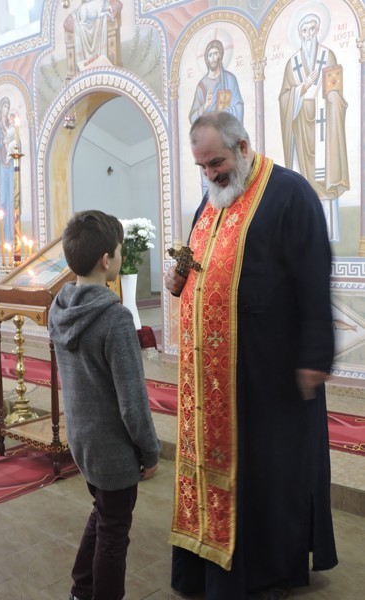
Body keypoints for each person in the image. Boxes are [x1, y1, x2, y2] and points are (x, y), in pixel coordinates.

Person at [165, 112, 337, 600]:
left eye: (216, 163)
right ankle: (206, 565)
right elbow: (199, 268)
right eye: (202, 167)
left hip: (271, 374)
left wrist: (315, 357)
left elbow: (313, 280)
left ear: (242, 147)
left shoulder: (290, 194)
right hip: (213, 378)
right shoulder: (213, 200)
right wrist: (177, 283)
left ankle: (266, 573)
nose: (210, 175)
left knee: (269, 474)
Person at [48, 210, 160, 600]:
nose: (120, 255)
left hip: (82, 438)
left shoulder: (59, 306)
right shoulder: (115, 319)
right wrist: (150, 451)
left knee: (104, 514)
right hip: (113, 449)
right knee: (114, 533)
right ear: (106, 260)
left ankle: (81, 591)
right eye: (119, 250)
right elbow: (133, 403)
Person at [279, 13, 349, 241]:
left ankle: (327, 234)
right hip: (301, 128)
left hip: (323, 128)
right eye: (305, 30)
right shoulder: (292, 64)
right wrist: (302, 87)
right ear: (300, 33)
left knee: (323, 180)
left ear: (318, 30)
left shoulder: (328, 56)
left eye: (313, 29)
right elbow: (284, 98)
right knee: (303, 183)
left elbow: (335, 89)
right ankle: (304, 235)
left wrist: (331, 98)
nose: (309, 34)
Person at [189, 40, 244, 125]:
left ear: (220, 56)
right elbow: (192, 118)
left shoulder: (230, 79)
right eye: (210, 55)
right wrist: (206, 105)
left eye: (215, 54)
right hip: (208, 130)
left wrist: (223, 114)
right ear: (207, 59)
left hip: (226, 129)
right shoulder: (202, 85)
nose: (213, 58)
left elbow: (239, 107)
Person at [0, 97, 15, 245]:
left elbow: (17, 143)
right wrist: (2, 142)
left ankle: (12, 236)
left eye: (8, 106)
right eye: (4, 106)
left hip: (10, 165)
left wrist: (13, 144)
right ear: (0, 108)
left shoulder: (11, 125)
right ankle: (3, 237)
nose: (6, 110)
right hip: (1, 165)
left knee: (11, 199)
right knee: (4, 200)